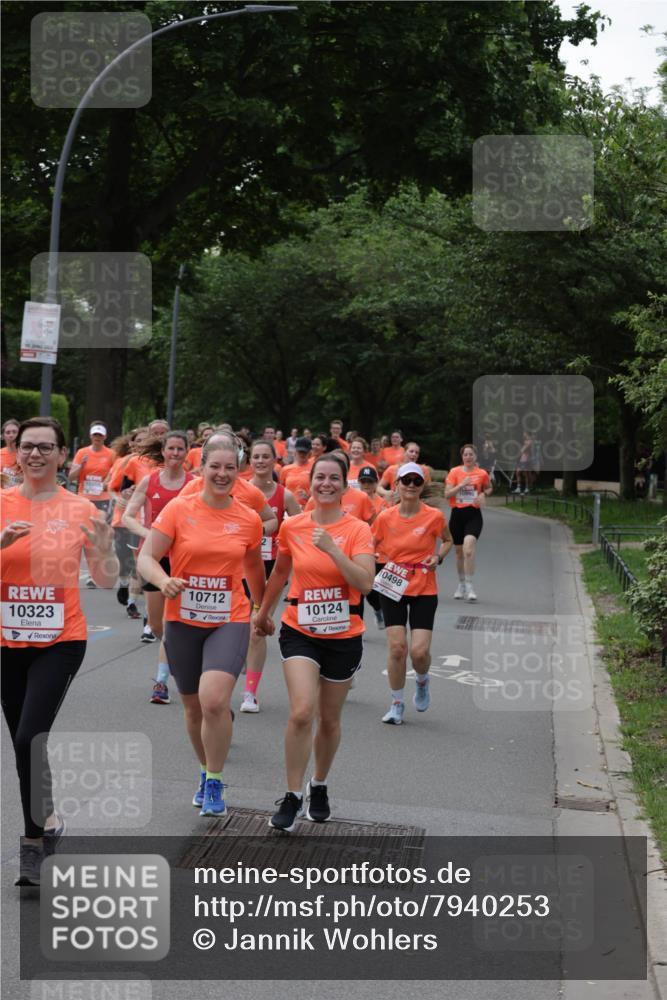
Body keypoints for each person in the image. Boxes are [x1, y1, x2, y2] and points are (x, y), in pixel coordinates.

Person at [1, 416, 118, 885]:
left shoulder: (81, 509)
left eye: (45, 447)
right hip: (7, 641)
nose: (35, 454)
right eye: (28, 446)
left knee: (31, 738)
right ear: (16, 451)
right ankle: (48, 819)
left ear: (62, 455)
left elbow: (107, 579)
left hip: (61, 640)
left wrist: (107, 545)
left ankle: (32, 844)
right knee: (24, 744)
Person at [137, 437, 265, 817]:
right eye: (215, 467)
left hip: (229, 618)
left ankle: (214, 778)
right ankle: (203, 768)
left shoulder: (248, 518)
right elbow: (147, 557)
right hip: (182, 620)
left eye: (230, 468)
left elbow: (255, 568)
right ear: (203, 468)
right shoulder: (179, 509)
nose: (222, 474)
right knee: (193, 708)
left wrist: (261, 608)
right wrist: (163, 582)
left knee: (213, 700)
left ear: (238, 471)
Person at [254, 454, 375, 831]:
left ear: (344, 484)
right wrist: (263, 611)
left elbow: (365, 583)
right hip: (299, 628)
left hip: (343, 635)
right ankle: (291, 795)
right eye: (320, 477)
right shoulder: (293, 527)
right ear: (310, 482)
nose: (326, 483)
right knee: (302, 711)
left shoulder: (358, 530)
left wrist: (333, 549)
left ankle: (318, 784)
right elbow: (280, 574)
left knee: (329, 719)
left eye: (334, 478)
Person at [372, 462, 452, 725]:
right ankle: (396, 703)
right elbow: (369, 544)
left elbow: (448, 540)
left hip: (423, 586)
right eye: (406, 480)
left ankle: (421, 679)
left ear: (422, 487)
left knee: (418, 653)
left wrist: (437, 556)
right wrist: (369, 558)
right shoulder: (385, 517)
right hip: (392, 584)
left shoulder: (434, 517)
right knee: (397, 649)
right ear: (396, 484)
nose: (410, 486)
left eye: (416, 482)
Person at [122, 432, 193, 701]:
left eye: (180, 449)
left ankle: (161, 682)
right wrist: (148, 534)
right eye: (171, 449)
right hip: (154, 556)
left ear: (187, 452)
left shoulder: (195, 484)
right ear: (162, 452)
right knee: (156, 624)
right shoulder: (149, 481)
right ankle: (177, 657)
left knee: (172, 621)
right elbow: (128, 516)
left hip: (184, 559)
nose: (175, 453)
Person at [240, 438, 301, 712]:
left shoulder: (284, 495)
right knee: (238, 628)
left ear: (275, 460)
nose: (261, 461)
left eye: (266, 457)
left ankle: (250, 694)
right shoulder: (238, 490)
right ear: (249, 461)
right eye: (257, 457)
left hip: (271, 571)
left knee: (257, 629)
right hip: (238, 568)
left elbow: (301, 528)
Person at [445, 444, 492, 602]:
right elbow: (447, 494)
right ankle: (461, 584)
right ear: (462, 457)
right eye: (465, 455)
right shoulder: (454, 472)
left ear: (475, 456)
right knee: (459, 552)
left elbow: (489, 487)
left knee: (469, 549)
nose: (468, 457)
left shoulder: (481, 473)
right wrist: (461, 485)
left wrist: (484, 494)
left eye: (471, 454)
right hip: (457, 515)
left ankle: (470, 585)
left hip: (474, 515)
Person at [68, 421, 115, 512]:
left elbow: (116, 474)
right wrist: (81, 466)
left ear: (105, 437)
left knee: (99, 523)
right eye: (95, 435)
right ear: (90, 436)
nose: (97, 437)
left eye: (100, 435)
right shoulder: (82, 452)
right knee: (84, 524)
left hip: (103, 497)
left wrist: (107, 482)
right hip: (84, 496)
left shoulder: (111, 454)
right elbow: (70, 477)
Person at [279, 437, 313, 507]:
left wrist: (309, 497)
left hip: (307, 507)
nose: (302, 454)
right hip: (288, 508)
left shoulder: (314, 468)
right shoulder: (285, 469)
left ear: (309, 453)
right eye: (300, 451)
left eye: (305, 452)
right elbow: (280, 490)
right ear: (295, 452)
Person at [1, 418, 22, 488]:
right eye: (8, 432)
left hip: (21, 496)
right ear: (3, 436)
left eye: (14, 432)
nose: (11, 435)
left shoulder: (27, 454)